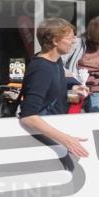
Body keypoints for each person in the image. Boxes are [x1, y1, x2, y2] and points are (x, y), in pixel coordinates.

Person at [18, 18, 91, 158]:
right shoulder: (41, 68)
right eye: (70, 38)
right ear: (55, 41)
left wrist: (75, 93)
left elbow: (56, 98)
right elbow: (28, 116)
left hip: (56, 135)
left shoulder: (55, 61)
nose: (74, 41)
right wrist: (65, 139)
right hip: (44, 142)